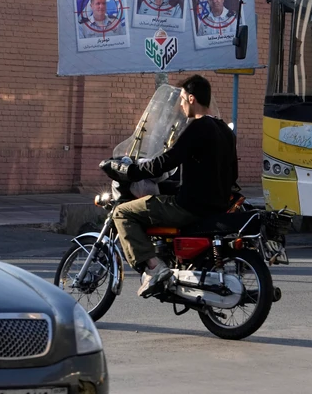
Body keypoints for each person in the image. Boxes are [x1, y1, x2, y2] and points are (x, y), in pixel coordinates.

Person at [101, 75, 238, 296]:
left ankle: (154, 267)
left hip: (189, 208)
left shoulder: (198, 127)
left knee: (122, 212)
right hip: (216, 206)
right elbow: (231, 174)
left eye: (182, 99)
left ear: (191, 98)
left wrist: (132, 171)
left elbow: (166, 161)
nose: (181, 105)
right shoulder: (225, 131)